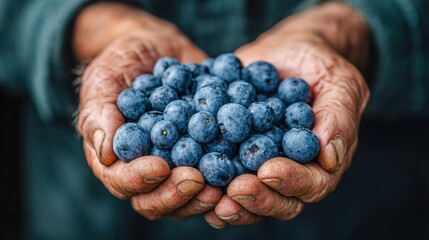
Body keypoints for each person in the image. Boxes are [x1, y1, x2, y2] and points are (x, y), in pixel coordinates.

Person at [0, 0, 428, 239]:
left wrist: (346, 30)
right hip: (91, 222)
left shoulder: (261, 113)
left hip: (365, 214)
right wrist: (97, 30)